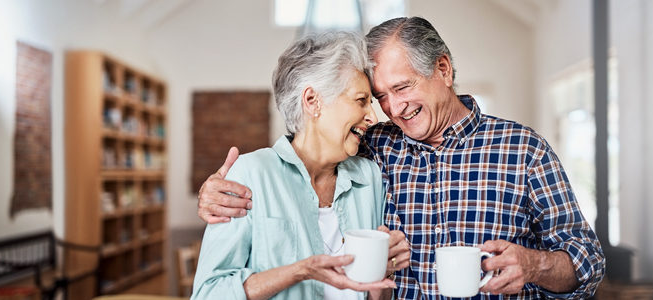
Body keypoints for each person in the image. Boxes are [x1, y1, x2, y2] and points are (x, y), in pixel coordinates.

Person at [197, 17, 605, 299]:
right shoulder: (375, 147)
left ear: (443, 69)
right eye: (378, 97)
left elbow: (588, 261)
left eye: (403, 87)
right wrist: (218, 190)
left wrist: (534, 266)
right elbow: (310, 147)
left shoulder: (523, 149)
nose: (391, 108)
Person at [191, 31, 411, 300]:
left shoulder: (369, 178)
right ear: (312, 101)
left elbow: (376, 294)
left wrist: (384, 271)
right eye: (361, 100)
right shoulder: (251, 174)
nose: (372, 116)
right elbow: (208, 293)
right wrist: (301, 271)